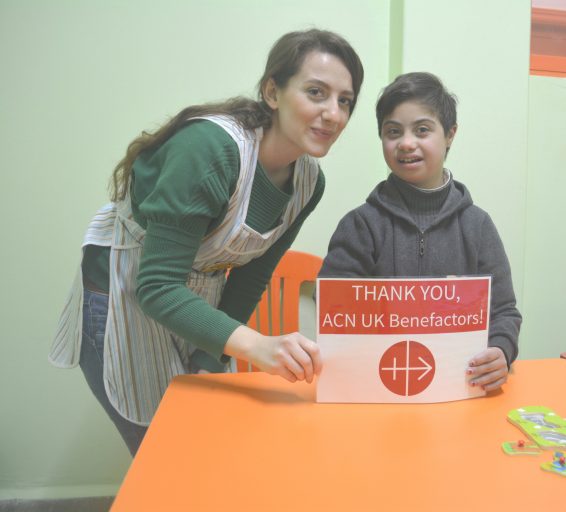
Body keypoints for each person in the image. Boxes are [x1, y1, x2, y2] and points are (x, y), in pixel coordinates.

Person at [49, 29, 364, 455]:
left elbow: (251, 277)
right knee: (163, 457)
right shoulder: (210, 150)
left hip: (195, 300)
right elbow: (158, 286)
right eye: (316, 92)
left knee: (203, 450)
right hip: (125, 293)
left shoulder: (308, 182)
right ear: (273, 91)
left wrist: (207, 358)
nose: (333, 114)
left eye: (345, 101)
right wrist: (259, 345)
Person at [318, 72, 521, 391]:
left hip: (458, 388)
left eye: (422, 130)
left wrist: (501, 350)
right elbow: (335, 309)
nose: (406, 143)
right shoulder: (361, 225)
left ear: (450, 134)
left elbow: (504, 311)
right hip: (375, 386)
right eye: (393, 132)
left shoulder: (478, 226)